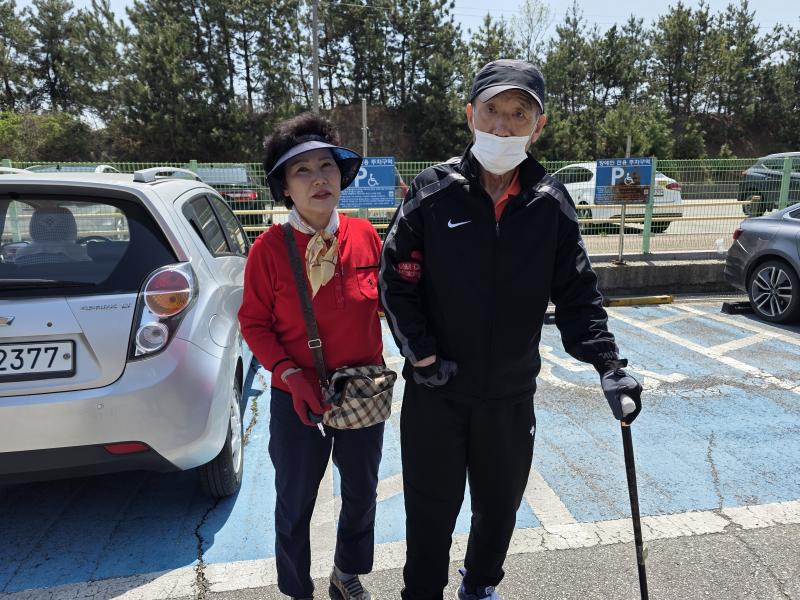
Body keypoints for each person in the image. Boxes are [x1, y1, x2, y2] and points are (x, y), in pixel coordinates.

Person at [379, 59, 643, 600]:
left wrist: (609, 365)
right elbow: (395, 280)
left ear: (537, 126)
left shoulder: (550, 203)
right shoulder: (432, 191)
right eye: (492, 111)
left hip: (510, 394)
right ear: (470, 115)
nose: (502, 127)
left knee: (499, 507)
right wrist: (422, 356)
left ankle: (479, 587)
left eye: (518, 114)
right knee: (430, 509)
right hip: (437, 391)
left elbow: (578, 294)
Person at [238, 113, 384, 600]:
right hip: (296, 394)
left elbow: (390, 303)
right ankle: (297, 590)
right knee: (295, 500)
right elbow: (254, 323)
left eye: (327, 166)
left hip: (361, 391)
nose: (319, 178)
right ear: (285, 187)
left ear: (341, 176)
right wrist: (288, 374)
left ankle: (346, 574)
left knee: (361, 493)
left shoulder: (365, 235)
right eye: (302, 170)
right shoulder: (268, 249)